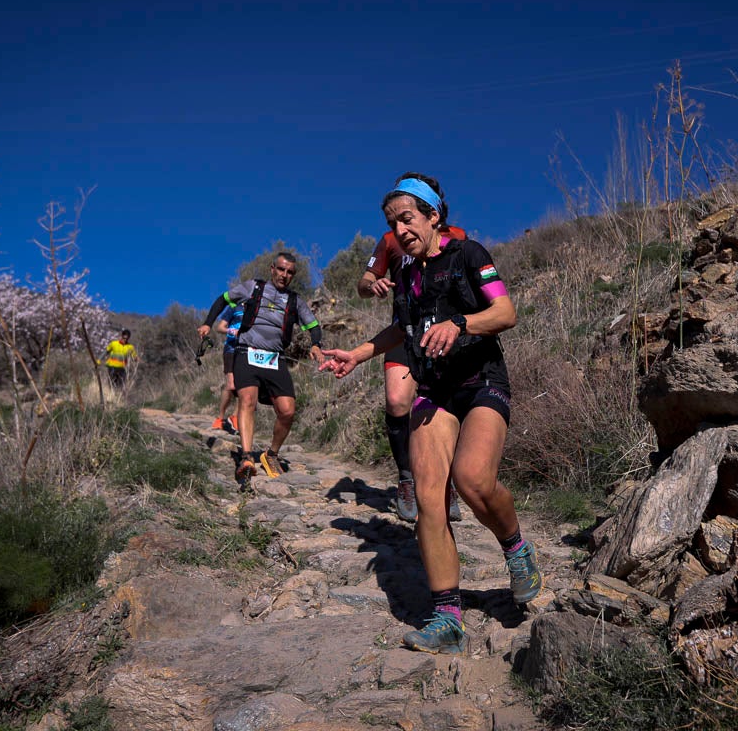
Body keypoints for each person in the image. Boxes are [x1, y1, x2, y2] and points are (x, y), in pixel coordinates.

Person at [321, 174, 542, 654]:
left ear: (433, 216)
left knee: (473, 479)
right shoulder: (405, 274)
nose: (399, 230)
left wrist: (459, 322)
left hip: (480, 381)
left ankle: (516, 548)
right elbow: (400, 328)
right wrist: (358, 354)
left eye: (407, 219)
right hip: (434, 390)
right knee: (428, 500)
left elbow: (505, 313)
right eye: (391, 223)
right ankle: (447, 617)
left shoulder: (470, 255)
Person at [357, 174, 465, 524]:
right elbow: (364, 281)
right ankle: (406, 478)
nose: (401, 226)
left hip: (445, 334)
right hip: (403, 334)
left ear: (430, 207)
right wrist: (373, 284)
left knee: (447, 409)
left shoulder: (458, 238)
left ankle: (445, 485)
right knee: (396, 402)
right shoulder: (390, 240)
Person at [199, 252, 325, 485]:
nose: (284, 275)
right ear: (272, 269)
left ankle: (271, 454)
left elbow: (313, 326)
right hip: (246, 352)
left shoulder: (295, 301)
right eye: (281, 270)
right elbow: (222, 300)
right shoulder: (253, 288)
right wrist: (208, 323)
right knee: (247, 400)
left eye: (290, 272)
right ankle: (246, 457)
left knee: (287, 410)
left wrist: (316, 344)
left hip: (274, 359)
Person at [210, 303, 242, 434]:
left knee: (244, 386)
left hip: (247, 351)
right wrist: (231, 331)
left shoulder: (257, 308)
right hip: (231, 349)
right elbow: (220, 327)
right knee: (231, 385)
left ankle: (234, 417)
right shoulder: (235, 307)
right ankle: (221, 418)